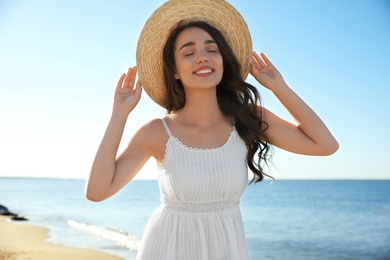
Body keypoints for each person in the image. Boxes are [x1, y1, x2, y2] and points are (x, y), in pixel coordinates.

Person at [85, 0, 339, 259]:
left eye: (211, 49)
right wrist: (119, 114)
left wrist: (279, 87)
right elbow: (96, 191)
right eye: (188, 52)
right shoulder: (157, 132)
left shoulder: (246, 118)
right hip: (167, 249)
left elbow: (325, 145)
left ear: (222, 60)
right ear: (174, 71)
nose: (203, 57)